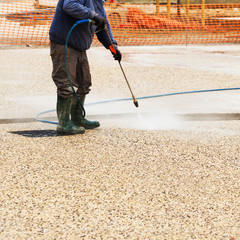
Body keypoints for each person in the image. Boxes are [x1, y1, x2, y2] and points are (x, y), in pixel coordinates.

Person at [49, 0, 122, 135]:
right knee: (66, 83)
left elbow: (102, 25)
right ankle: (64, 123)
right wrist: (93, 15)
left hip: (80, 47)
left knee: (84, 82)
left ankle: (77, 118)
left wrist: (112, 46)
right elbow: (69, 5)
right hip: (64, 43)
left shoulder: (98, 2)